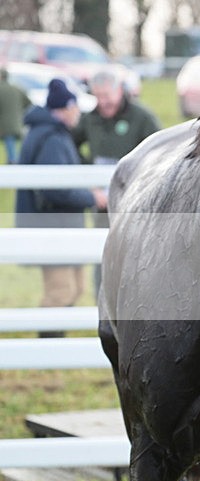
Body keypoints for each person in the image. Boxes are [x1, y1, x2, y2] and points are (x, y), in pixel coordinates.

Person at [15, 79, 107, 337]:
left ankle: (55, 343)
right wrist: (91, 198)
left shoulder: (50, 134)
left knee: (75, 288)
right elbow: (55, 188)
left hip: (61, 224)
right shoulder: (52, 139)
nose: (78, 113)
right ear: (66, 108)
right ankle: (48, 347)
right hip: (53, 226)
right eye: (75, 107)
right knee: (60, 291)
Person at [72, 68, 160, 294]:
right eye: (97, 96)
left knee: (136, 253)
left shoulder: (142, 118)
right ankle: (102, 304)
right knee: (103, 251)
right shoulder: (90, 119)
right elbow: (69, 146)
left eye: (107, 96)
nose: (103, 102)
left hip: (136, 202)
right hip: (102, 203)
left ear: (120, 90)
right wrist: (87, 176)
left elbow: (161, 154)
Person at [0, 67, 32, 164]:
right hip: (17, 122)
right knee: (13, 144)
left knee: (11, 148)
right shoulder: (17, 89)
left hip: (4, 124)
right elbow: (29, 104)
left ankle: (13, 162)